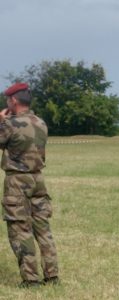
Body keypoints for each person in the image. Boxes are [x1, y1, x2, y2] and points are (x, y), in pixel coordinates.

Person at [0, 82, 58, 288]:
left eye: (8, 99)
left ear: (13, 101)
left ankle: (31, 279)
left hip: (17, 181)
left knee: (20, 229)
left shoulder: (9, 124)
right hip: (38, 180)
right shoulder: (41, 123)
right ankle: (52, 276)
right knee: (43, 228)